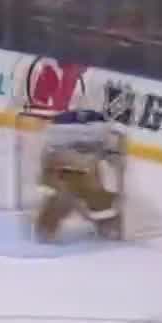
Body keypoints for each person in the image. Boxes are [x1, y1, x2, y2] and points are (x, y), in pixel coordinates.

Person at [34, 81, 130, 242]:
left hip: (82, 171)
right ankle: (47, 227)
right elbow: (51, 159)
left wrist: (114, 157)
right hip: (62, 172)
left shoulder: (102, 126)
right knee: (63, 198)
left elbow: (112, 151)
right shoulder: (63, 127)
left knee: (97, 199)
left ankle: (106, 225)